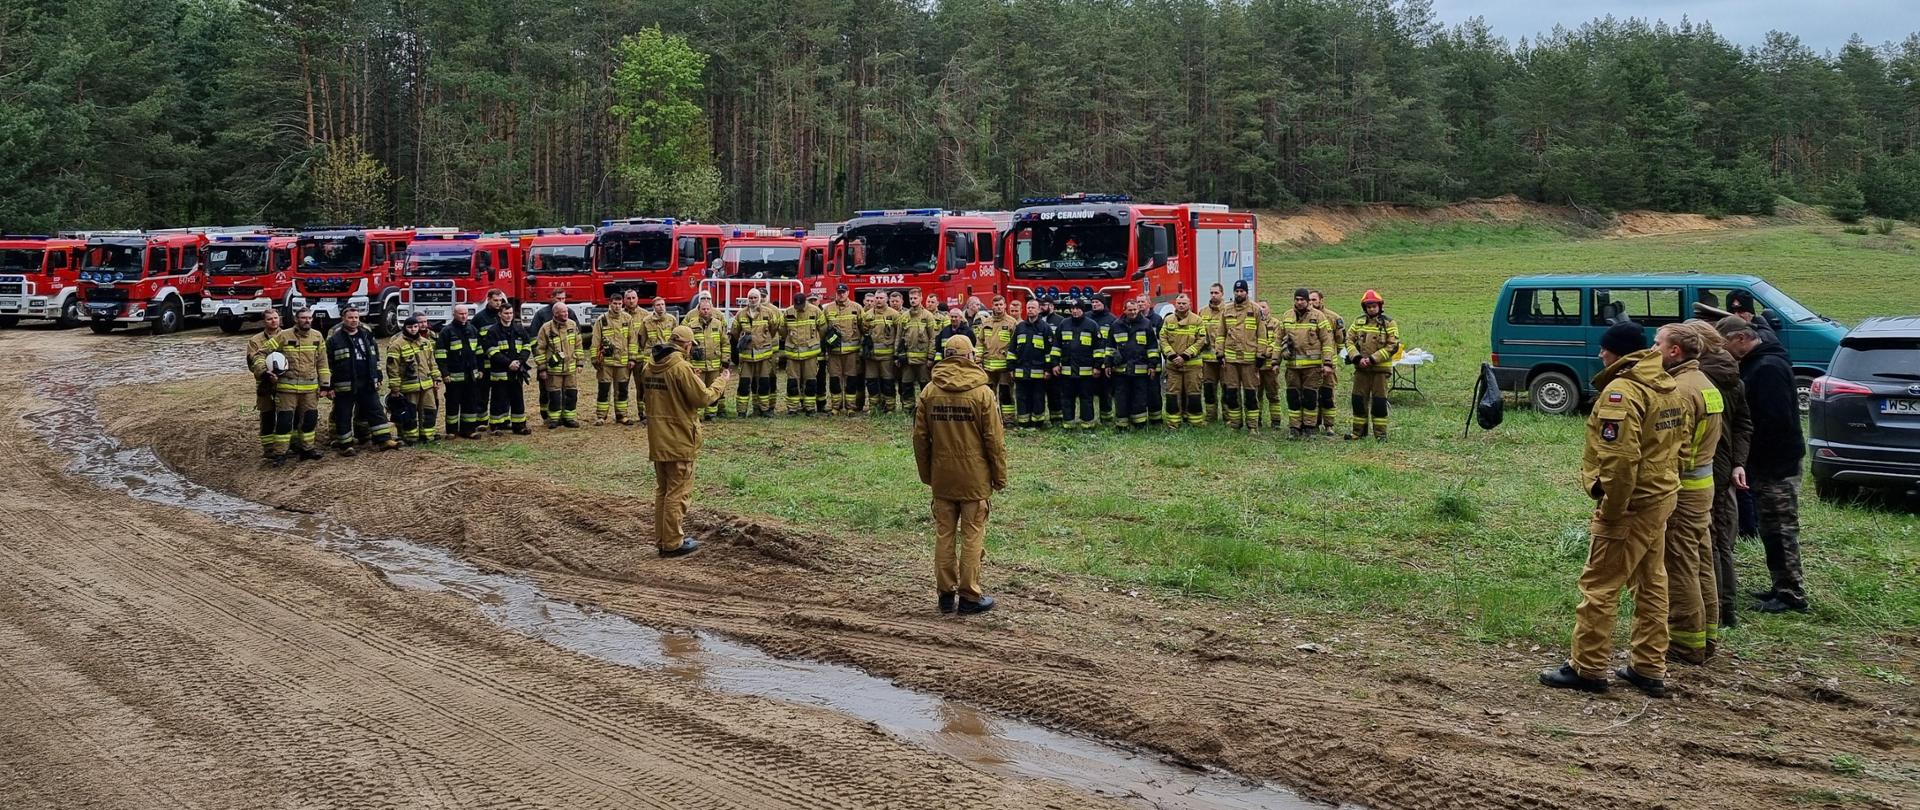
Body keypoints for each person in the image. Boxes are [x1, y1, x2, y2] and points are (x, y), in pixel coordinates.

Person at [1540, 321, 1685, 698]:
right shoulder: (1666, 384)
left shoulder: (1622, 392)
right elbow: (1680, 444)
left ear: (1618, 352)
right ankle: (1648, 667)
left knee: (1600, 585)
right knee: (1651, 583)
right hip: (1660, 498)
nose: (1600, 353)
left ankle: (1587, 667)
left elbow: (1620, 460)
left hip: (1632, 505)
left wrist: (1613, 509)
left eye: (1605, 348)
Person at [1716, 315, 1809, 613]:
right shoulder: (1762, 361)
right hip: (1770, 462)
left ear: (1741, 338)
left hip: (1777, 464)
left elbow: (1774, 421)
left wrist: (1750, 456)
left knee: (1781, 529)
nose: (1725, 352)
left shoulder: (1767, 368)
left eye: (1725, 345)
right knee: (1770, 527)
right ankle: (1780, 584)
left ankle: (1791, 594)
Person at [912, 334, 1008, 615]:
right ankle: (969, 596)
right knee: (972, 535)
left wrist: (928, 475)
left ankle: (945, 595)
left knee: (944, 535)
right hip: (974, 478)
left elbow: (920, 439)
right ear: (969, 357)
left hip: (942, 476)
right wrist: (1000, 476)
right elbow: (994, 441)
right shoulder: (982, 393)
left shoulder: (930, 391)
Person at [1655, 322, 1725, 665]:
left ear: (1675, 351)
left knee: (1679, 563)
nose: (1652, 349)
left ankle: (1685, 644)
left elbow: (1676, 449)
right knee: (1701, 561)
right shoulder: (1706, 384)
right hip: (1704, 487)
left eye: (1657, 344)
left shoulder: (1680, 390)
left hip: (1683, 491)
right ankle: (1706, 636)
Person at [642, 325, 732, 558]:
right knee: (678, 492)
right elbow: (703, 398)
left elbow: (663, 394)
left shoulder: (649, 366)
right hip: (679, 438)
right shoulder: (681, 368)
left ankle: (663, 540)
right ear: (687, 345)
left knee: (663, 491)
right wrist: (721, 382)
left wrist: (691, 378)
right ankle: (672, 543)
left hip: (658, 438)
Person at [1698, 326, 1752, 631]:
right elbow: (1744, 424)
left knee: (1711, 543)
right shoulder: (1733, 375)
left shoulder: (1700, 379)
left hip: (1705, 468)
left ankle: (1717, 612)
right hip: (1723, 467)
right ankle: (1726, 610)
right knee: (1722, 542)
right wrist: (1738, 463)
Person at [323, 306, 399, 454]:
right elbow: (328, 365)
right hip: (344, 385)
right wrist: (329, 386)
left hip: (367, 382)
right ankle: (345, 445)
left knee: (376, 410)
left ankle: (384, 440)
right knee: (343, 414)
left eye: (356, 317)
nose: (354, 320)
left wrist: (378, 376)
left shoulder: (366, 335)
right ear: (343, 319)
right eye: (350, 317)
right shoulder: (334, 340)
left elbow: (375, 358)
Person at [269, 308, 330, 464]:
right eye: (303, 318)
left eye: (309, 318)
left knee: (310, 420)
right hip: (286, 389)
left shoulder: (317, 336)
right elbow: (263, 353)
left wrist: (325, 385)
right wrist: (267, 371)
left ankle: (307, 450)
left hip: (310, 390)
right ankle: (280, 454)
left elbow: (323, 362)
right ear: (296, 319)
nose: (307, 320)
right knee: (284, 422)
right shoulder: (284, 335)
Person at [1280, 288, 1337, 437]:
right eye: (1297, 299)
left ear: (1307, 301)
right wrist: (1275, 361)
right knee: (1293, 397)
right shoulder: (1287, 316)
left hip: (1312, 367)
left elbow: (1327, 341)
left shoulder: (1318, 316)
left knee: (1310, 397)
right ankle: (1294, 428)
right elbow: (1277, 339)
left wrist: (1328, 363)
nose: (1299, 302)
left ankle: (1309, 427)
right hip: (1292, 366)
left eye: (1302, 300)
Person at [1345, 290, 1400, 440]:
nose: (1371, 309)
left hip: (1380, 370)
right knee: (1358, 400)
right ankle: (1358, 432)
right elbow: (1349, 340)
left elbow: (1392, 345)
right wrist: (1357, 358)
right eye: (1368, 306)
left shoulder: (1389, 323)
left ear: (1380, 306)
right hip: (1361, 369)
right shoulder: (1358, 322)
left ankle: (1380, 434)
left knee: (1379, 402)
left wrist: (1372, 359)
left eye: (1374, 306)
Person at [385, 313, 442, 444]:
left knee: (429, 411)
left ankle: (427, 436)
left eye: (415, 327)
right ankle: (410, 437)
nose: (413, 329)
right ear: (405, 328)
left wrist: (436, 378)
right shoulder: (396, 345)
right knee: (409, 413)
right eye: (410, 327)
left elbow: (432, 362)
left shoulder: (426, 342)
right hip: (408, 386)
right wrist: (395, 387)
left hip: (426, 384)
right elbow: (392, 368)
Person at [1107, 298, 1161, 429]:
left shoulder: (1146, 324)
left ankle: (1139, 424)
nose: (1133, 312)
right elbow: (1110, 347)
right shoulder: (1116, 325)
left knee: (1139, 398)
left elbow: (1152, 347)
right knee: (1121, 398)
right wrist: (1108, 363)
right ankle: (1122, 425)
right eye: (1130, 310)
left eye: (1135, 310)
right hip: (1121, 371)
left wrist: (1152, 365)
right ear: (1124, 310)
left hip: (1140, 371)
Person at [435, 304, 487, 438]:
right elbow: (440, 354)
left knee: (470, 402)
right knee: (453, 403)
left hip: (471, 375)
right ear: (454, 314)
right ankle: (452, 431)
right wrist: (445, 373)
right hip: (454, 376)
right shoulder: (447, 331)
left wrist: (481, 369)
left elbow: (479, 352)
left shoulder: (472, 329)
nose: (464, 316)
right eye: (461, 314)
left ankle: (468, 430)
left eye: (466, 313)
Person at [482, 301, 534, 435]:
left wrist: (520, 362)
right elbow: (491, 351)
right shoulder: (493, 331)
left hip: (517, 371)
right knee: (498, 399)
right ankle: (496, 426)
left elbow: (527, 346)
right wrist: (508, 363)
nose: (509, 316)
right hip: (500, 372)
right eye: (506, 313)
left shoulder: (519, 329)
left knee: (517, 399)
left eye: (511, 313)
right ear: (500, 314)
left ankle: (519, 425)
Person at [731, 288, 783, 417]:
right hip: (746, 356)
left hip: (764, 356)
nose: (753, 300)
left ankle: (764, 409)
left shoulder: (768, 313)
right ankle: (741, 411)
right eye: (750, 298)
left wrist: (763, 340)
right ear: (747, 299)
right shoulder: (740, 314)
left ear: (759, 299)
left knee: (764, 383)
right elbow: (735, 332)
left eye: (755, 297)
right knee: (744, 384)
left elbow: (773, 330)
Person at [534, 302, 587, 428]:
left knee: (571, 394)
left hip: (570, 368)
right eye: (563, 312)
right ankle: (554, 419)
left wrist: (580, 362)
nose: (566, 314)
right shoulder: (546, 328)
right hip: (554, 370)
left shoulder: (572, 325)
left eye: (566, 311)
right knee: (554, 395)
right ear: (555, 313)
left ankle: (569, 418)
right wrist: (542, 368)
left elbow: (578, 345)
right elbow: (539, 349)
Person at [1217, 281, 1261, 431]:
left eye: (1242, 291)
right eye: (1237, 291)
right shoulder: (1226, 309)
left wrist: (1260, 355)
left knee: (1250, 394)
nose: (1239, 293)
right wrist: (1220, 353)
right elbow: (1220, 334)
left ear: (1246, 292)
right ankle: (1235, 424)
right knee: (1232, 393)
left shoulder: (1255, 309)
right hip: (1231, 361)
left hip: (1249, 361)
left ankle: (1253, 426)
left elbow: (1262, 335)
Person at [1159, 294, 1208, 427]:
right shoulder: (1168, 320)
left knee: (1193, 393)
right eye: (1179, 303)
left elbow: (1201, 340)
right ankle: (1173, 423)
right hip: (1173, 366)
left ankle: (1195, 422)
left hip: (1192, 365)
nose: (1181, 305)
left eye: (1184, 303)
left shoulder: (1197, 320)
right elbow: (1163, 339)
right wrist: (1172, 356)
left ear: (1189, 304)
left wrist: (1185, 356)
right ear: (1175, 304)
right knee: (1172, 394)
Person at [1054, 299, 1102, 429]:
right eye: (1072, 309)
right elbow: (1056, 346)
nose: (1075, 311)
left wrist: (1097, 367)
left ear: (1083, 309)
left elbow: (1098, 348)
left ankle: (1087, 424)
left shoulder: (1092, 325)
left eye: (1077, 308)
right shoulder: (1063, 324)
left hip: (1086, 372)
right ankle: (1068, 424)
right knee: (1067, 398)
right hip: (1067, 371)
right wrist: (1055, 364)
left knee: (1086, 398)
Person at [589, 297, 636, 425]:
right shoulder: (602, 320)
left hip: (623, 362)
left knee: (622, 390)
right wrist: (594, 359)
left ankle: (622, 415)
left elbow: (632, 340)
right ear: (610, 304)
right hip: (606, 363)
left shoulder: (627, 319)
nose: (617, 306)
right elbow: (595, 341)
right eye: (615, 303)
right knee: (604, 389)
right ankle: (601, 416)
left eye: (619, 303)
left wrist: (632, 358)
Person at [245, 308, 285, 459]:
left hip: (285, 382)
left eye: (275, 318)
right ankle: (268, 447)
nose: (273, 321)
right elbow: (252, 363)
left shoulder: (288, 335)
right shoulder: (255, 341)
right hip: (265, 383)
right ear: (264, 321)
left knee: (287, 414)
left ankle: (289, 444)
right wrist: (266, 373)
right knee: (267, 414)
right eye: (269, 319)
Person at [683, 297, 731, 420]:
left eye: (708, 309)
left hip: (714, 366)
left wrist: (725, 361)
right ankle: (696, 415)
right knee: (697, 391)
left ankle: (711, 414)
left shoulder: (718, 324)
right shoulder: (691, 326)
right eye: (703, 309)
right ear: (698, 310)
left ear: (711, 310)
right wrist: (688, 364)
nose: (705, 311)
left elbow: (725, 343)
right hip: (697, 367)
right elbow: (686, 346)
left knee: (713, 389)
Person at [783, 287, 829, 415]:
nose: (798, 308)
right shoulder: (788, 312)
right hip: (793, 354)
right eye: (796, 305)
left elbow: (823, 329)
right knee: (792, 381)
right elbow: (782, 329)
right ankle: (792, 408)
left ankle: (810, 408)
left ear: (805, 303)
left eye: (801, 305)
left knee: (810, 381)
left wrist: (814, 341)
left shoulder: (815, 311)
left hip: (810, 354)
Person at [1011, 300, 1056, 428]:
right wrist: (1011, 368)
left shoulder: (1045, 328)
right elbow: (1012, 349)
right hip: (1021, 371)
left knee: (1038, 398)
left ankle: (1038, 422)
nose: (1030, 310)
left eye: (1033, 308)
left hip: (1038, 372)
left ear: (1039, 310)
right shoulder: (1020, 327)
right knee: (1022, 397)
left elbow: (1049, 352)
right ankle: (1023, 422)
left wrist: (1047, 370)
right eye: (1028, 307)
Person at [899, 290, 943, 416]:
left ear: (921, 298)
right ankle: (908, 409)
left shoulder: (928, 316)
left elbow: (933, 338)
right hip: (907, 359)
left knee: (925, 384)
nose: (913, 300)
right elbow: (899, 337)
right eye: (911, 298)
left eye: (915, 298)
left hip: (923, 360)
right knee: (906, 384)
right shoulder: (904, 316)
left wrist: (930, 357)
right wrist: (897, 355)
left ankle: (926, 408)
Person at [861, 291, 905, 413]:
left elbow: (899, 335)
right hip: (871, 357)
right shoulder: (867, 315)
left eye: (881, 298)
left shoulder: (894, 314)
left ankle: (890, 408)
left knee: (888, 382)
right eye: (877, 298)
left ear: (886, 299)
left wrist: (896, 353)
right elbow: (864, 332)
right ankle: (874, 408)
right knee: (871, 382)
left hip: (887, 356)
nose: (878, 300)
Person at [1309, 290, 1346, 431]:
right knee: (1312, 394)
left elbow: (1340, 341)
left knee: (1327, 394)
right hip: (1311, 363)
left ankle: (1329, 425)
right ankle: (1314, 423)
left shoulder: (1333, 318)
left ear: (1321, 300)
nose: (1311, 302)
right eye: (1309, 300)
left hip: (1329, 364)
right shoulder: (1305, 318)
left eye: (1314, 299)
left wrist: (1332, 359)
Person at [977, 296, 1018, 423]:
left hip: (1005, 366)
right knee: (988, 394)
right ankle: (990, 418)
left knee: (1006, 393)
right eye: (996, 305)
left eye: (1001, 304)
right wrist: (978, 360)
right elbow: (980, 342)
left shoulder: (1012, 323)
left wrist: (1012, 365)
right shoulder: (986, 323)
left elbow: (1015, 345)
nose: (999, 307)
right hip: (988, 366)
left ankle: (1008, 419)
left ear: (1005, 305)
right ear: (992, 306)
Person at [825, 284, 864, 414]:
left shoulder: (857, 308)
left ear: (848, 293)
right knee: (834, 380)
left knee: (851, 380)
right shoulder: (828, 308)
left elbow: (863, 327)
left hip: (852, 352)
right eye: (839, 292)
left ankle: (850, 407)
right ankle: (835, 407)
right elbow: (823, 329)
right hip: (834, 352)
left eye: (843, 292)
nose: (841, 294)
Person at [1087, 297, 1119, 423]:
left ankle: (1106, 419)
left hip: (1105, 362)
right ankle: (1088, 419)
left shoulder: (1112, 320)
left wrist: (1111, 361)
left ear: (1104, 304)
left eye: (1097, 302)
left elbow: (1115, 342)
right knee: (1087, 393)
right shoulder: (1086, 318)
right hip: (1089, 362)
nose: (1094, 304)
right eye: (1093, 302)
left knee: (1105, 392)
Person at [1201, 283, 1226, 422]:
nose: (1213, 295)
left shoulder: (1228, 311)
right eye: (1211, 293)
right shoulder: (1202, 312)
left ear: (1222, 294)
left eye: (1216, 293)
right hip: (1207, 361)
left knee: (1227, 389)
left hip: (1224, 359)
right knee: (1209, 389)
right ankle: (1211, 417)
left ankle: (1228, 417)